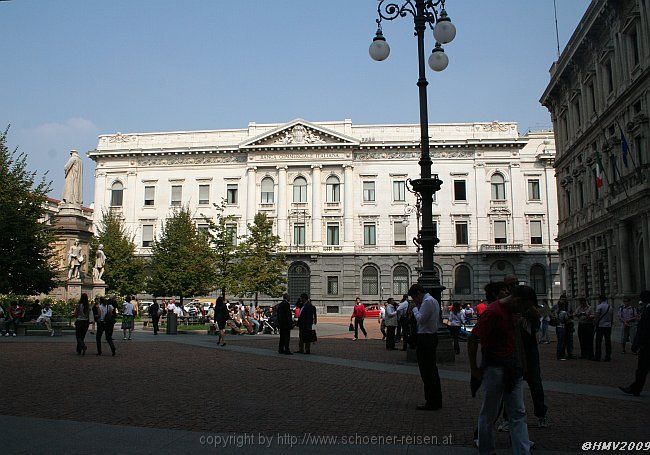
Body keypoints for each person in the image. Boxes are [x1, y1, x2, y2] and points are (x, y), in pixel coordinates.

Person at [468, 288, 531, 455]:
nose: (522, 312)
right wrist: (474, 368)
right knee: (489, 413)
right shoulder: (493, 313)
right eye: (523, 307)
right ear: (517, 301)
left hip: (512, 368)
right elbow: (473, 338)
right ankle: (487, 451)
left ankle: (523, 452)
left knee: (518, 413)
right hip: (495, 368)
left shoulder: (511, 313)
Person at [408, 283, 442, 411]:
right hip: (430, 337)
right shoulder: (433, 300)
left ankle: (431, 401)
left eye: (414, 298)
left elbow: (421, 320)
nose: (414, 301)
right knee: (432, 370)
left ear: (418, 293)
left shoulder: (427, 301)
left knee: (427, 372)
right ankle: (436, 400)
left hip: (426, 338)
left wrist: (415, 309)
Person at [620, 291, 650, 397]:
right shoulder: (646, 309)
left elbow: (644, 330)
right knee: (642, 369)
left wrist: (637, 344)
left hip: (646, 346)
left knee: (642, 369)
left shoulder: (647, 310)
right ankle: (635, 388)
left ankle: (635, 389)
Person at [594, 294, 613, 362]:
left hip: (600, 326)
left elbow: (596, 317)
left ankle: (598, 356)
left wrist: (595, 324)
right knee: (608, 342)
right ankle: (608, 356)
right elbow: (611, 317)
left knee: (598, 341)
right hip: (608, 326)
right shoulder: (610, 307)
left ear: (600, 299)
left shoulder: (599, 306)